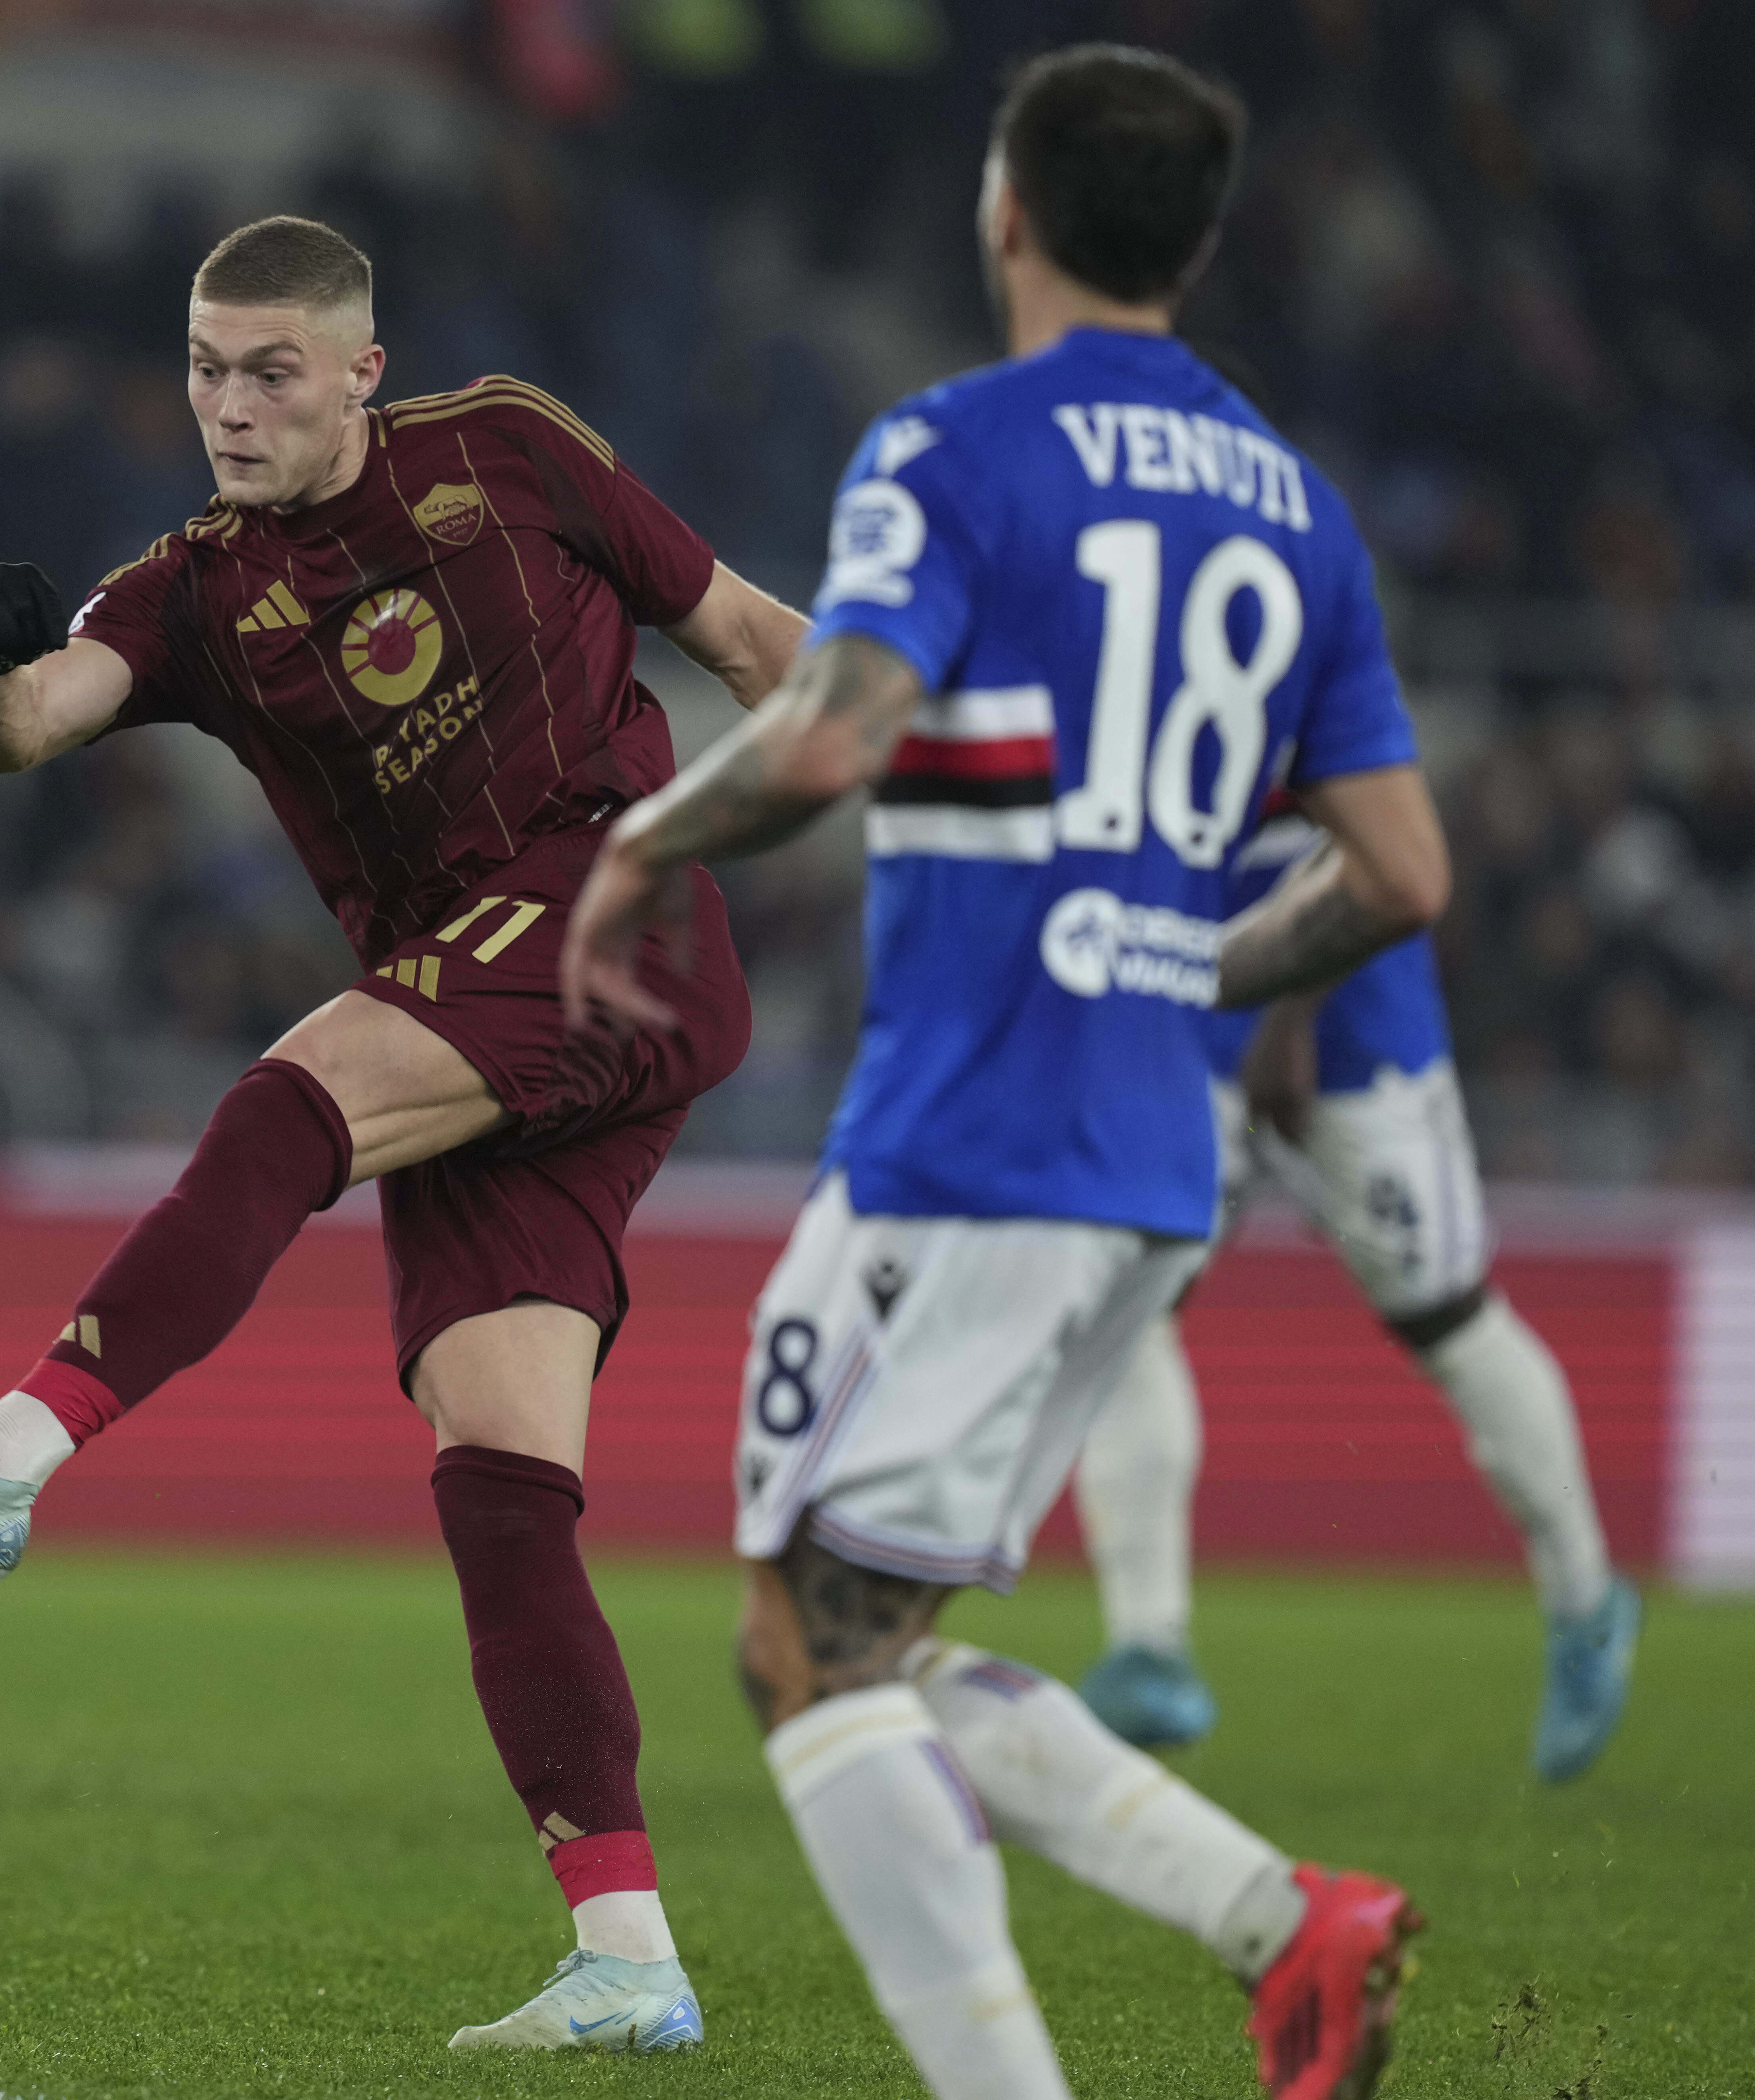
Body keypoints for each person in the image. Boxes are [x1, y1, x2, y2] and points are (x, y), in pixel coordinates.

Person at [0, 214, 811, 2051]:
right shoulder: (188, 590)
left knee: (289, 1101)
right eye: (201, 369)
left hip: (612, 913)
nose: (226, 410)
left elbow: (744, 638)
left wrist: (949, 781)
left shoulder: (512, 455)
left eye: (266, 372)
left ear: (357, 372)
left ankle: (0, 1463)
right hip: (487, 1009)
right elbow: (16, 731)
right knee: (498, 1485)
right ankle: (628, 1955)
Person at [561, 48, 1438, 2100]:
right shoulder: (1295, 507)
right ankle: (1274, 1923)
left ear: (1004, 211)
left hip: (966, 1144)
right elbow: (1399, 868)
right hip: (1141, 1160)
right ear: (1196, 240)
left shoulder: (952, 448)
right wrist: (1171, 976)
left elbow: (835, 734)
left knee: (806, 1656)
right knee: (872, 1640)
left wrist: (641, 839)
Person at [1069, 812, 1636, 1775]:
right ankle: (1147, 1644)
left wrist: (1288, 1014)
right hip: (1177, 984)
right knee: (1126, 1300)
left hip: (1348, 998)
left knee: (1443, 1312)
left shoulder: (1307, 656)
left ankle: (1586, 1597)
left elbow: (1381, 838)